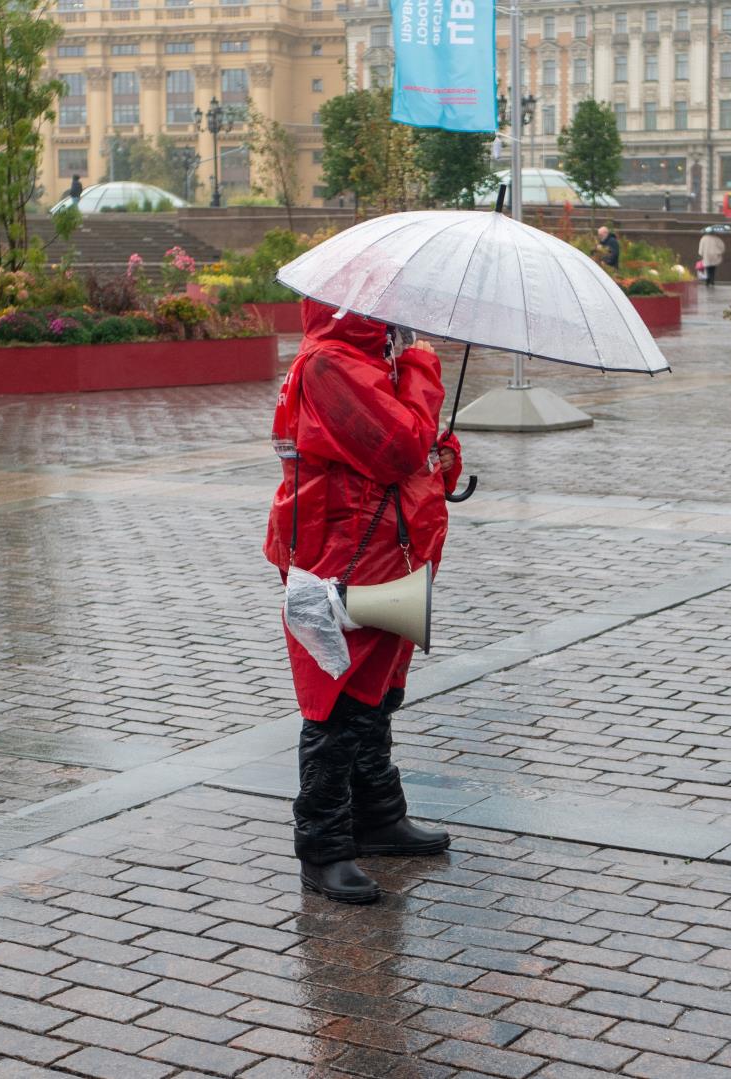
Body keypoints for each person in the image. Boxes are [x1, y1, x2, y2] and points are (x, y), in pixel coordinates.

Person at [265, 299, 464, 904]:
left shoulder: (369, 361)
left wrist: (439, 451)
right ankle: (323, 847)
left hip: (387, 554)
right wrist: (425, 368)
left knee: (377, 695)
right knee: (337, 703)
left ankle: (378, 816)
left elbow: (407, 457)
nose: (399, 312)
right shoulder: (331, 364)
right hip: (347, 559)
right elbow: (398, 450)